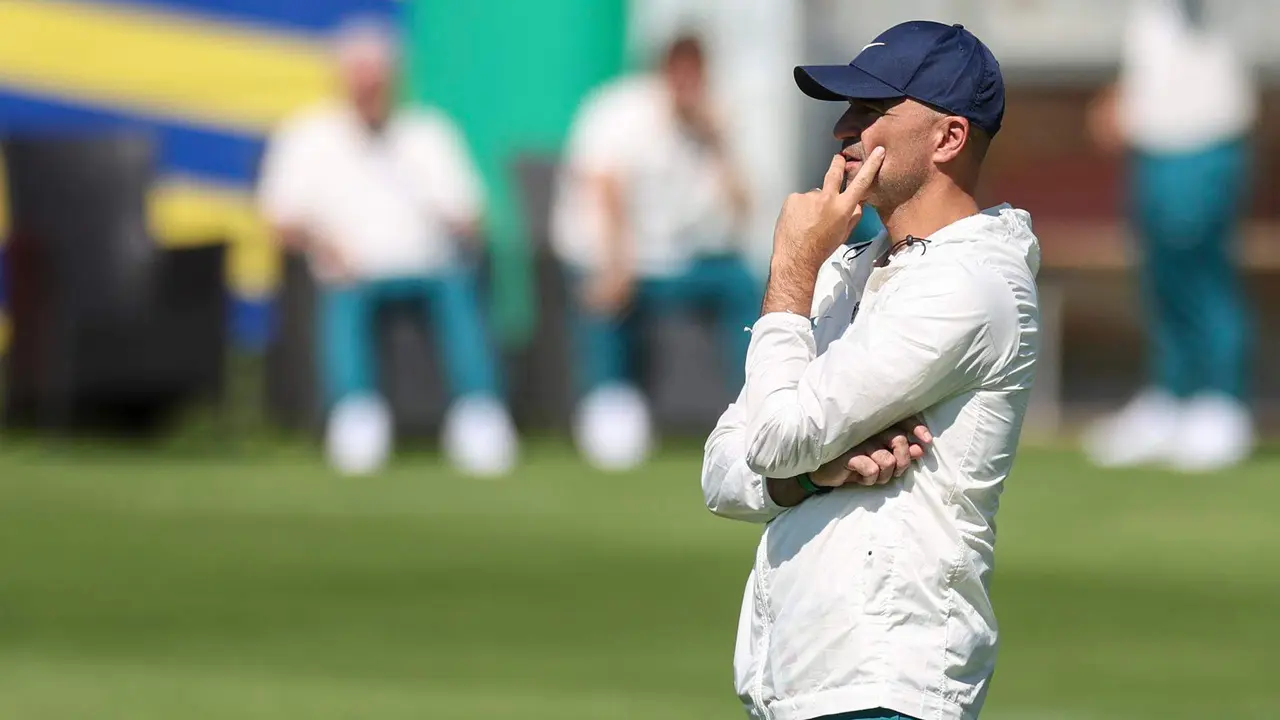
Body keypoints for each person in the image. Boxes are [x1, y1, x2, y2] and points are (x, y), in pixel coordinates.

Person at [701, 21, 1040, 720]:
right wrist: (808, 476)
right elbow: (722, 472)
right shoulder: (847, 269)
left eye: (870, 111)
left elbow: (771, 437)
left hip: (887, 683)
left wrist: (792, 265)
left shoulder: (968, 284)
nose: (842, 131)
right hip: (799, 680)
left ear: (948, 138)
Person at [257, 17, 518, 477]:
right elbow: (279, 219)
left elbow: (471, 213)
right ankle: (356, 416)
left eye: (379, 77)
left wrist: (464, 226)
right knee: (344, 292)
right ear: (341, 79)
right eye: (361, 76)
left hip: (430, 270)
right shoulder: (308, 136)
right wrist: (324, 244)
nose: (370, 88)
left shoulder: (428, 134)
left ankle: (480, 414)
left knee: (459, 286)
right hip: (349, 271)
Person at [550, 33, 758, 471]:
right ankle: (609, 404)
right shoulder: (619, 111)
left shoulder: (715, 122)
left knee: (744, 283)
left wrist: (720, 145)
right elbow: (605, 190)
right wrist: (616, 263)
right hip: (606, 254)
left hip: (676, 264)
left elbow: (743, 210)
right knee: (606, 298)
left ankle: (758, 401)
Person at [1083, 0, 1256, 472]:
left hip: (1201, 139)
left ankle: (1221, 402)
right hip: (1154, 144)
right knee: (1160, 276)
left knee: (1200, 272)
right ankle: (1172, 397)